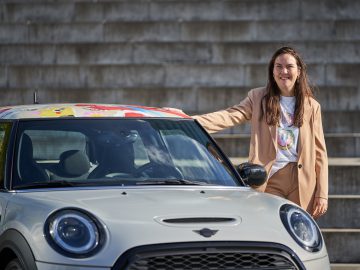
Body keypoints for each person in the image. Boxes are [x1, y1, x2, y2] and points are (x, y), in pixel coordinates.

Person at [193, 46, 328, 218]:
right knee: (269, 225)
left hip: (302, 179)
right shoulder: (258, 98)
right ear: (272, 71)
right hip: (270, 176)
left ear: (299, 71)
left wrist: (322, 193)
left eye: (289, 66)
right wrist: (191, 122)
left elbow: (319, 153)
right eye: (278, 66)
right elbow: (229, 116)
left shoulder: (312, 106)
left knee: (299, 230)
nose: (283, 71)